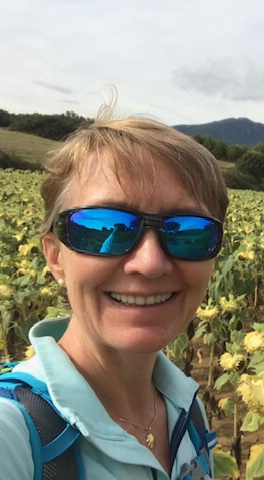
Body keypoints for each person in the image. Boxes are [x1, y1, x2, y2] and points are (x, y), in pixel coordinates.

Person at [0, 103, 229, 479]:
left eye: (188, 231)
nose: (150, 263)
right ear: (55, 256)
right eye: (103, 227)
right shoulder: (15, 433)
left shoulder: (189, 412)